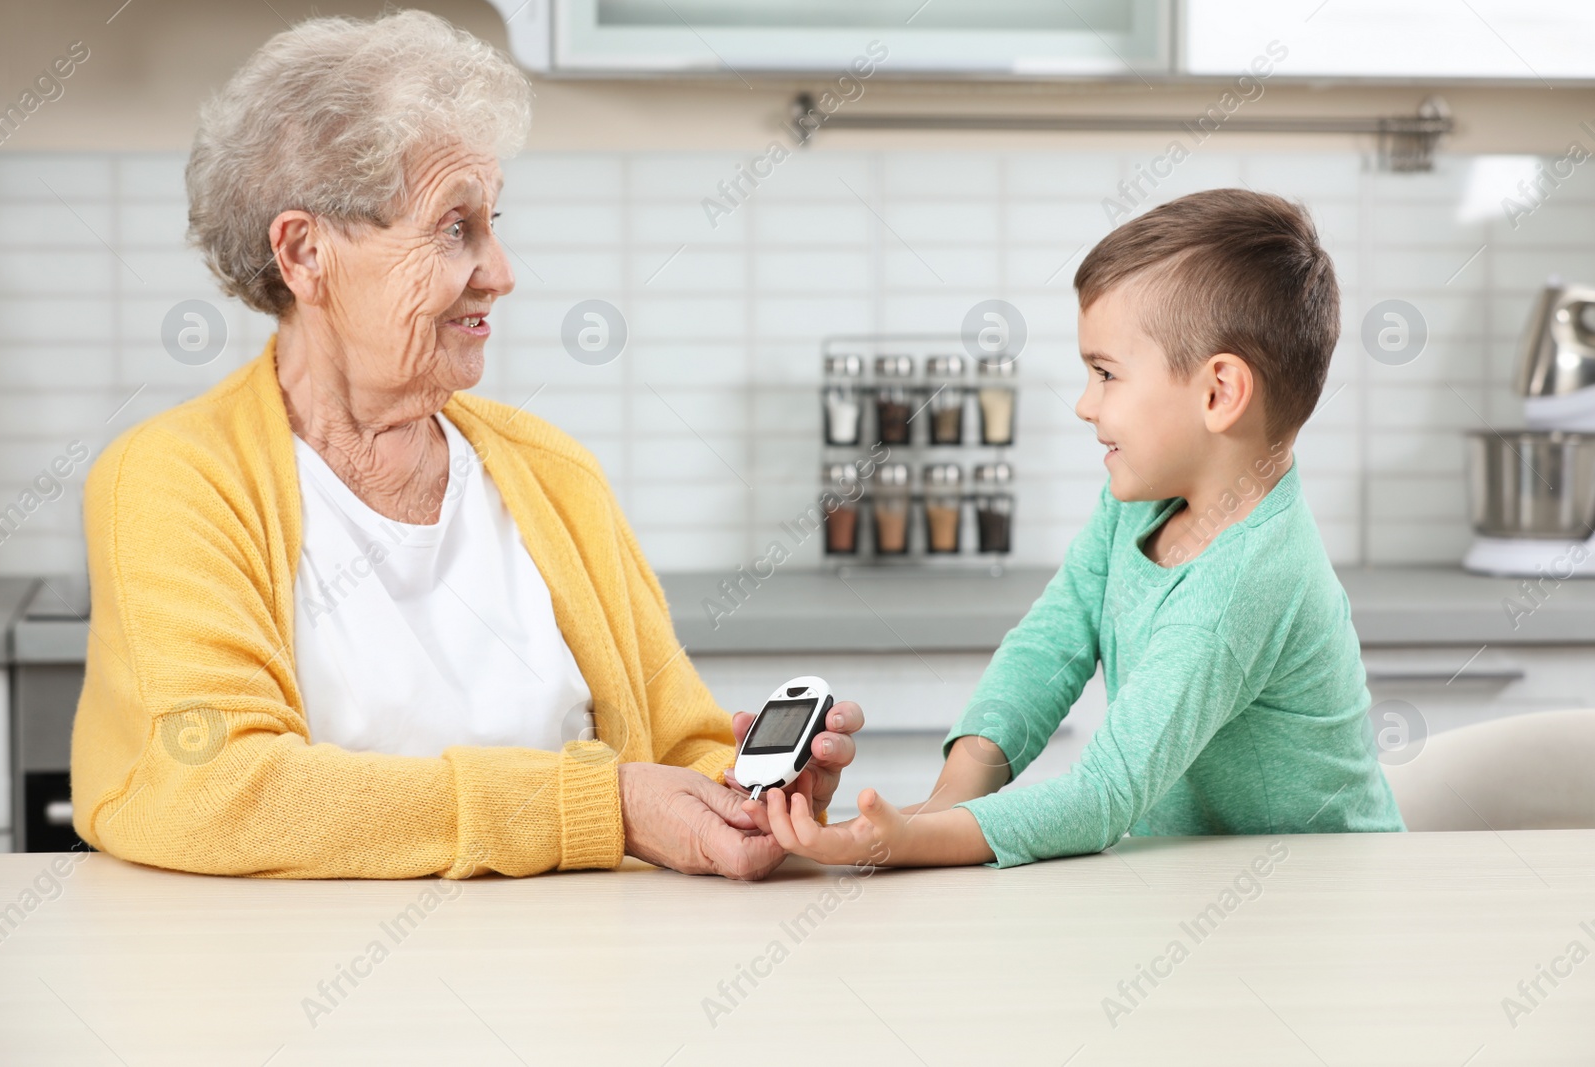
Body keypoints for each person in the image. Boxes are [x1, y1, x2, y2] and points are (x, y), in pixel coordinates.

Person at [69, 9, 862, 880]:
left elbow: (679, 749)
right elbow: (216, 790)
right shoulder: (175, 480)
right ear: (304, 253)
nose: (503, 269)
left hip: (578, 986)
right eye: (456, 228)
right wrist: (597, 806)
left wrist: (747, 802)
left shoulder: (553, 475)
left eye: (493, 221)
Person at [751, 188, 1405, 868]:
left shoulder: (1245, 582)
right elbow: (1048, 645)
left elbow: (1103, 794)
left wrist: (916, 841)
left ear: (1218, 393)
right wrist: (948, 800)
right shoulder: (1138, 503)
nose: (1085, 404)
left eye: (1105, 373)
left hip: (1324, 898)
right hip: (1202, 882)